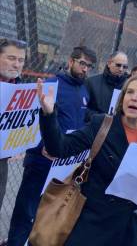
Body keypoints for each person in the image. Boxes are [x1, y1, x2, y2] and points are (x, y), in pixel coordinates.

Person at [36, 74, 137, 246]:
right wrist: (48, 113)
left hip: (127, 229)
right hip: (92, 225)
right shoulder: (101, 124)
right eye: (130, 92)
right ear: (123, 98)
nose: (134, 97)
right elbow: (59, 148)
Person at [7, 46, 97, 246]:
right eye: (82, 63)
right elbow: (32, 122)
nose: (85, 69)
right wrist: (42, 146)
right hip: (41, 161)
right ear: (71, 61)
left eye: (89, 66)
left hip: (64, 165)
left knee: (48, 214)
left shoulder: (83, 90)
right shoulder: (51, 85)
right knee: (26, 212)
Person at [0, 38, 26, 220]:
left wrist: (17, 145)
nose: (16, 64)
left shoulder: (21, 87)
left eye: (21, 60)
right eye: (11, 58)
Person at [85, 51, 128, 119]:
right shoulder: (91, 82)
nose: (121, 69)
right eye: (118, 65)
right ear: (109, 63)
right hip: (94, 126)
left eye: (125, 67)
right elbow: (82, 108)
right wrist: (101, 118)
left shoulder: (129, 87)